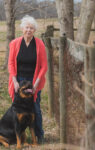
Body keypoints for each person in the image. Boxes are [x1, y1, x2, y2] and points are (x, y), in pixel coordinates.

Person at [8, 15, 48, 144]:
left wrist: (36, 83)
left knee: (35, 108)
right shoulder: (14, 43)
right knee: (18, 110)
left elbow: (44, 66)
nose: (29, 30)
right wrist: (14, 81)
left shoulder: (39, 44)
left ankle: (39, 136)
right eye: (27, 27)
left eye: (31, 28)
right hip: (19, 80)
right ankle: (18, 137)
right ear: (22, 29)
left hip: (33, 80)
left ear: (34, 30)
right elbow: (11, 63)